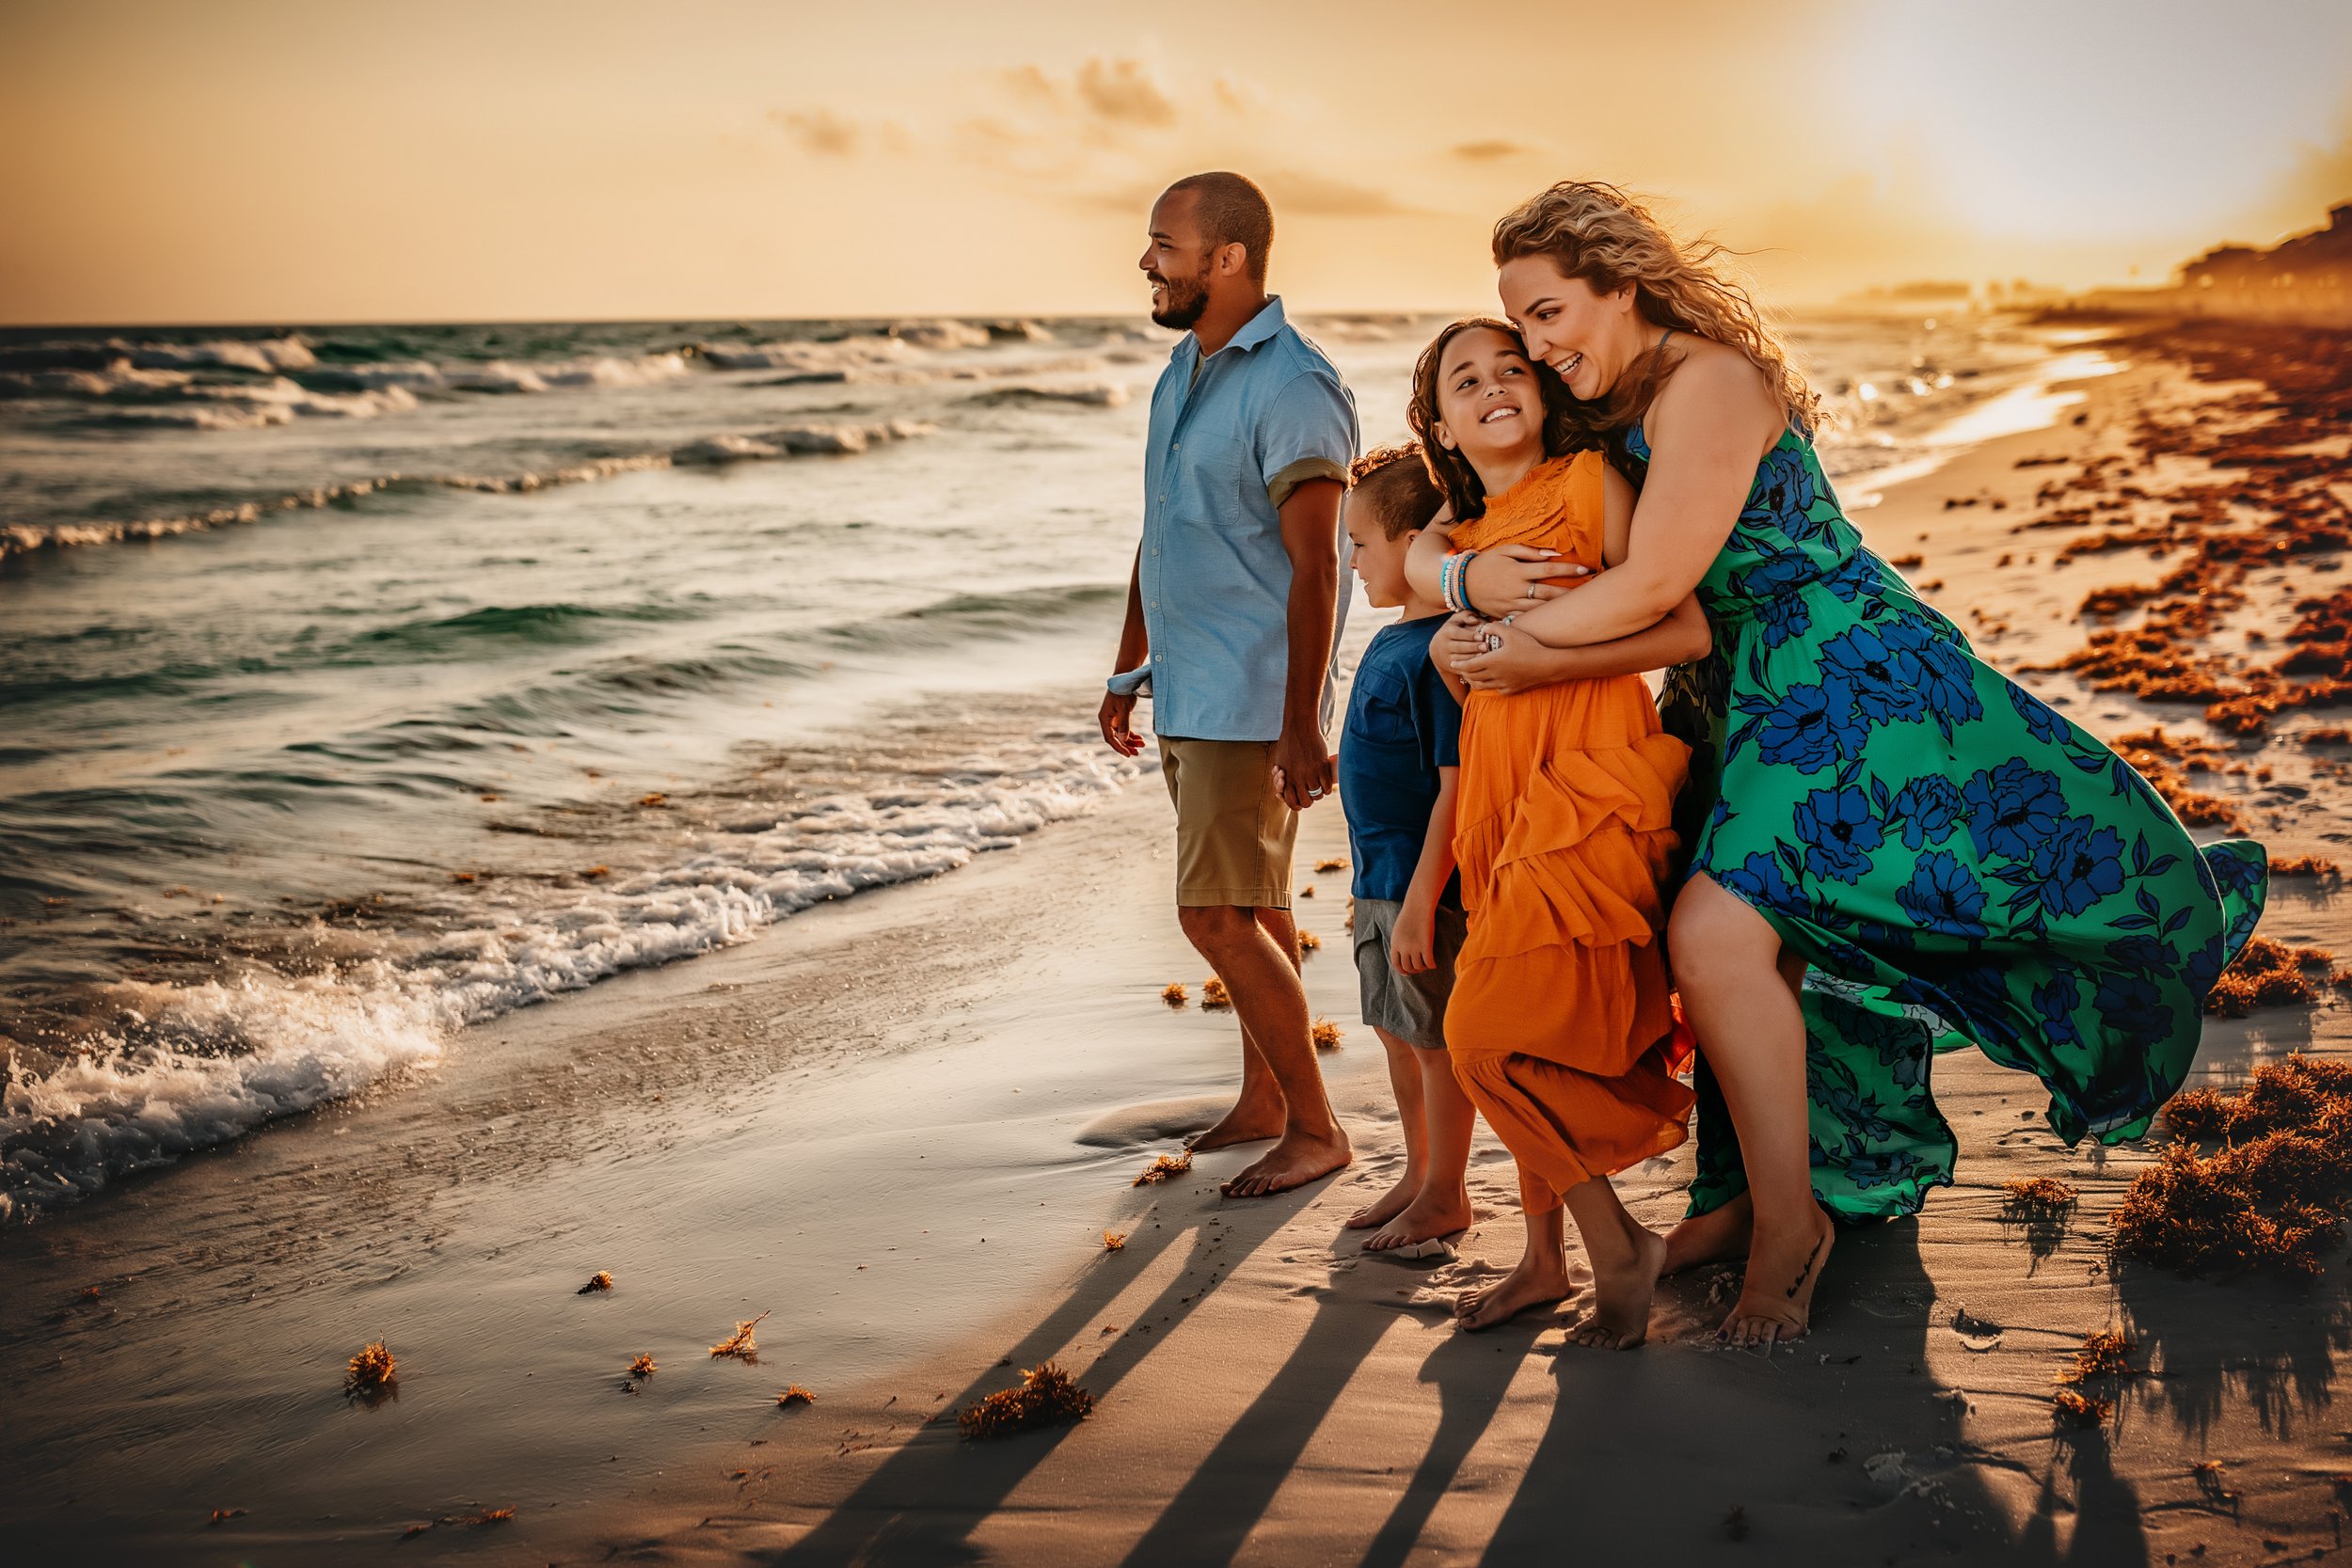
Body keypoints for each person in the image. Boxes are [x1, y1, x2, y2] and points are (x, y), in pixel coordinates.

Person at [1440, 181, 2268, 1345]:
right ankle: (1735, 1201)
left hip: (1841, 674)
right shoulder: (1619, 395)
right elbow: (1467, 508)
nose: (1534, 346)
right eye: (1517, 326)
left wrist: (1509, 648)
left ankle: (1793, 1230)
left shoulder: (1708, 382)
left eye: (1546, 313)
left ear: (1619, 285)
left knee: (1717, 935)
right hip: (1740, 683)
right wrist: (1453, 582)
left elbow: (1651, 582)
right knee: (1737, 941)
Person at [1401, 319, 1714, 1345]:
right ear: (1440, 423)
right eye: (1465, 380)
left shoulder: (1587, 483)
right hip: (1501, 797)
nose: (1494, 384)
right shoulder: (1463, 544)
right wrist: (1448, 605)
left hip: (1589, 785)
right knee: (1522, 1026)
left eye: (1510, 368)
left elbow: (1684, 628)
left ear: (1541, 392)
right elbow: (1415, 563)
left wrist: (1539, 663)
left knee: (1483, 1035)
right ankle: (1546, 1260)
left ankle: (1618, 1245)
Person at [1098, 171, 1359, 1199]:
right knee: (1249, 900)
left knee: (1212, 915)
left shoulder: (1293, 385)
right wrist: (1129, 664)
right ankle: (1264, 1102)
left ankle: (1318, 1126)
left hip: (1252, 696)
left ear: (1227, 259)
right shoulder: (1183, 371)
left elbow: (1319, 566)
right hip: (1188, 682)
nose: (1146, 261)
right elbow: (1160, 531)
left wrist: (1300, 723)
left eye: (1163, 243)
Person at [1331, 443, 1477, 1253]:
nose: (1351, 561)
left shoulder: (1438, 650)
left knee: (1433, 1042)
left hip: (1423, 891)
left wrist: (1425, 899)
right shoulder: (1393, 640)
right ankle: (1419, 1171)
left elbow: (1455, 786)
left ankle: (1447, 1191)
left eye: (1360, 542)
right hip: (1377, 881)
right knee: (1394, 1031)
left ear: (1416, 541)